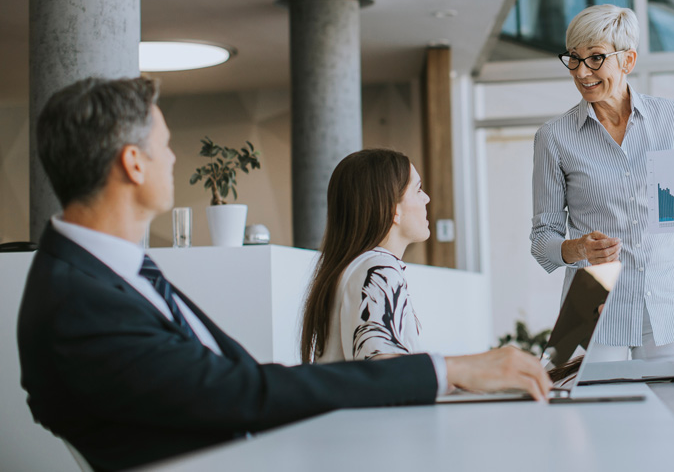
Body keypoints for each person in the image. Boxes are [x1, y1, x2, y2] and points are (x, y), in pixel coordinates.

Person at [17, 77, 551, 472]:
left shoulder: (113, 274)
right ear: (134, 164)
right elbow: (235, 394)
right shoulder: (76, 301)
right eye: (166, 146)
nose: (176, 159)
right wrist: (450, 369)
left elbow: (232, 387)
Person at [531, 5, 674, 364]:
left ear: (628, 60)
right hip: (595, 305)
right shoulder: (554, 137)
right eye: (573, 59)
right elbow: (542, 240)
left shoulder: (672, 117)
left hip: (668, 303)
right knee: (599, 416)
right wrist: (578, 249)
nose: (581, 72)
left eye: (595, 58)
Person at [300, 149, 429, 362]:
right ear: (392, 209)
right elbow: (384, 374)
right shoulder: (379, 270)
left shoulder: (354, 268)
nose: (426, 198)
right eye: (418, 189)